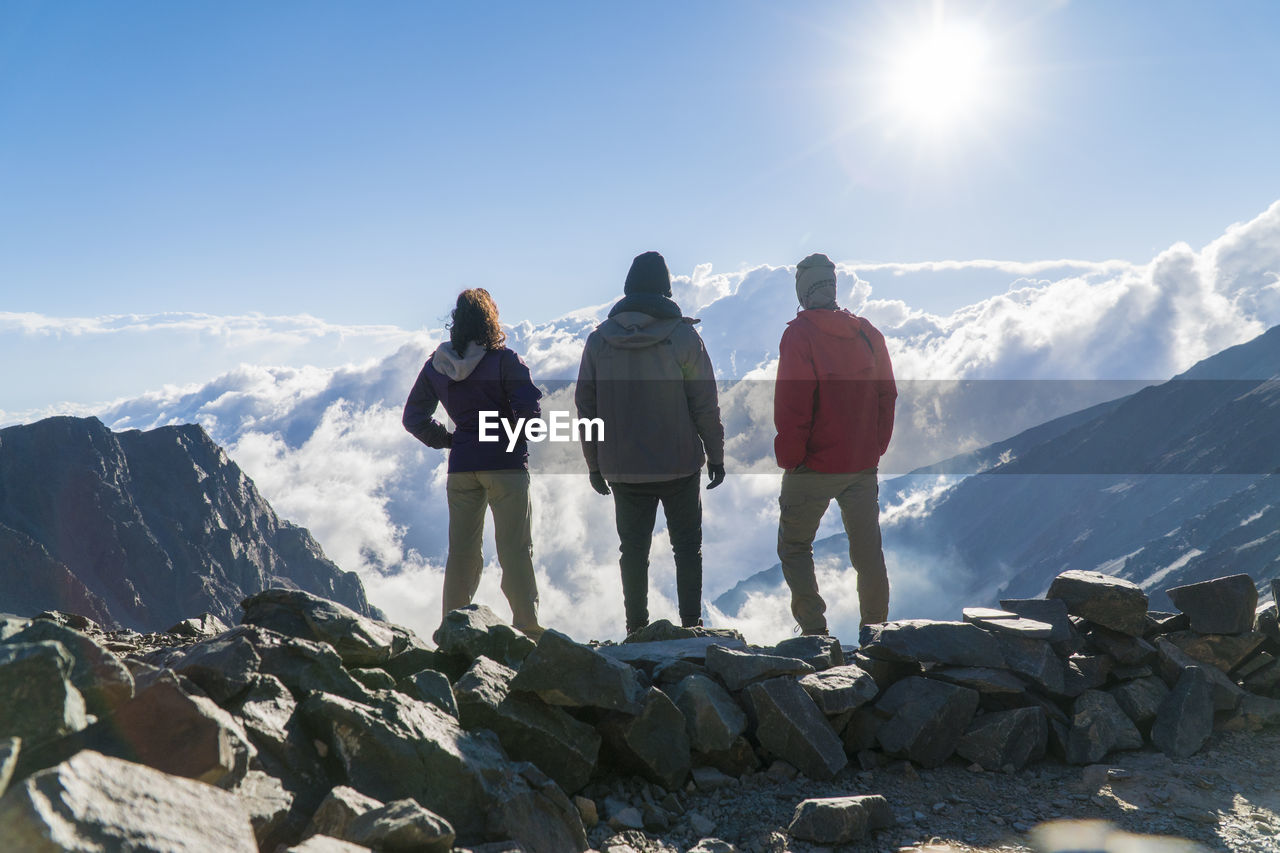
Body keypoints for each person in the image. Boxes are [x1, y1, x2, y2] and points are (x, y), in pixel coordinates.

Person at [576, 251, 725, 636]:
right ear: (666, 289)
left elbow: (586, 407)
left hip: (623, 468)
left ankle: (635, 630)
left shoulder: (598, 341)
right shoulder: (682, 337)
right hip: (679, 463)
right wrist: (716, 454)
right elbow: (704, 402)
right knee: (687, 548)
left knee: (633, 552)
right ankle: (692, 625)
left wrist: (594, 463)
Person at [403, 288, 545, 639]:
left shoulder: (438, 366)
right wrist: (521, 437)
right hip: (505, 466)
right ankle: (526, 628)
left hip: (462, 467)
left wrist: (451, 440)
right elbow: (530, 411)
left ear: (455, 323)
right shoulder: (505, 361)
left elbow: (413, 417)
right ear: (489, 319)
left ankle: (452, 630)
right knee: (514, 548)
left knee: (462, 553)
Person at [773, 253, 896, 637]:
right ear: (832, 286)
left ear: (804, 290)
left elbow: (793, 406)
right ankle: (876, 634)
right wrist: (875, 447)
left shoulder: (800, 334)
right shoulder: (866, 333)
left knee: (794, 546)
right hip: (861, 465)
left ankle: (814, 633)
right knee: (867, 553)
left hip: (812, 466)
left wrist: (791, 460)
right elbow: (887, 394)